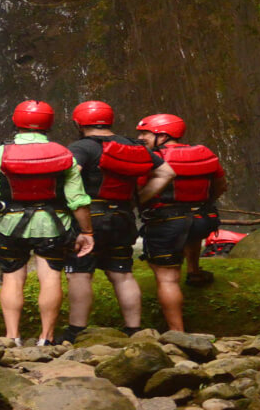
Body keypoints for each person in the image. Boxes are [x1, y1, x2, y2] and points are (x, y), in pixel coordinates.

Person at [0, 100, 96, 346]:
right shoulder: (62, 153)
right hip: (54, 226)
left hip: (8, 226)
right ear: (49, 123)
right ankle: (45, 338)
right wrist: (87, 231)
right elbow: (78, 200)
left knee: (12, 279)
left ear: (17, 122)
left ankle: (12, 337)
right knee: (50, 278)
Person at [58, 100, 176, 341]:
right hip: (123, 215)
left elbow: (71, 175)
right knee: (122, 273)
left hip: (90, 215)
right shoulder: (135, 145)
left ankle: (76, 330)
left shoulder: (82, 147)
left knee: (79, 273)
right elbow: (167, 172)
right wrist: (139, 198)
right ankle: (133, 329)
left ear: (79, 123)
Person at [135, 114, 226, 332]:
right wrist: (206, 202)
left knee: (167, 279)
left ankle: (178, 332)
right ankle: (194, 271)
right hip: (203, 219)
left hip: (167, 222)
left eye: (145, 133)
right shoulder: (205, 153)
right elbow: (221, 185)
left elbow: (138, 191)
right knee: (190, 231)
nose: (140, 138)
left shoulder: (151, 159)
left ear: (163, 135)